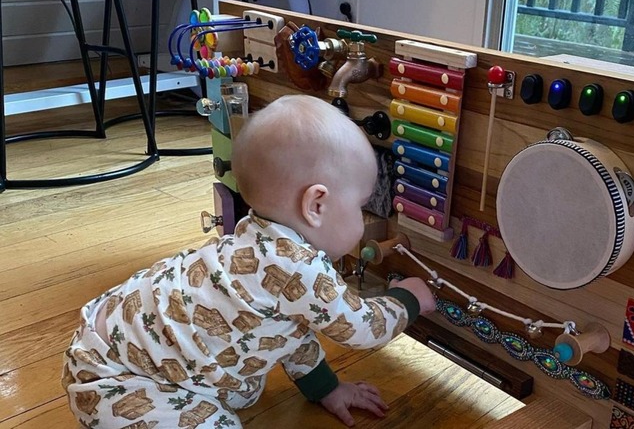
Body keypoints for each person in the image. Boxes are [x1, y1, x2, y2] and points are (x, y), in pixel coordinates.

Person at [62, 95, 436, 428]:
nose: (364, 219)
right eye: (360, 206)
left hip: (110, 350)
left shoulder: (253, 235)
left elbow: (290, 332)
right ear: (316, 205)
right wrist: (410, 297)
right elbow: (363, 329)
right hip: (120, 386)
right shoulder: (300, 269)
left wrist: (327, 388)